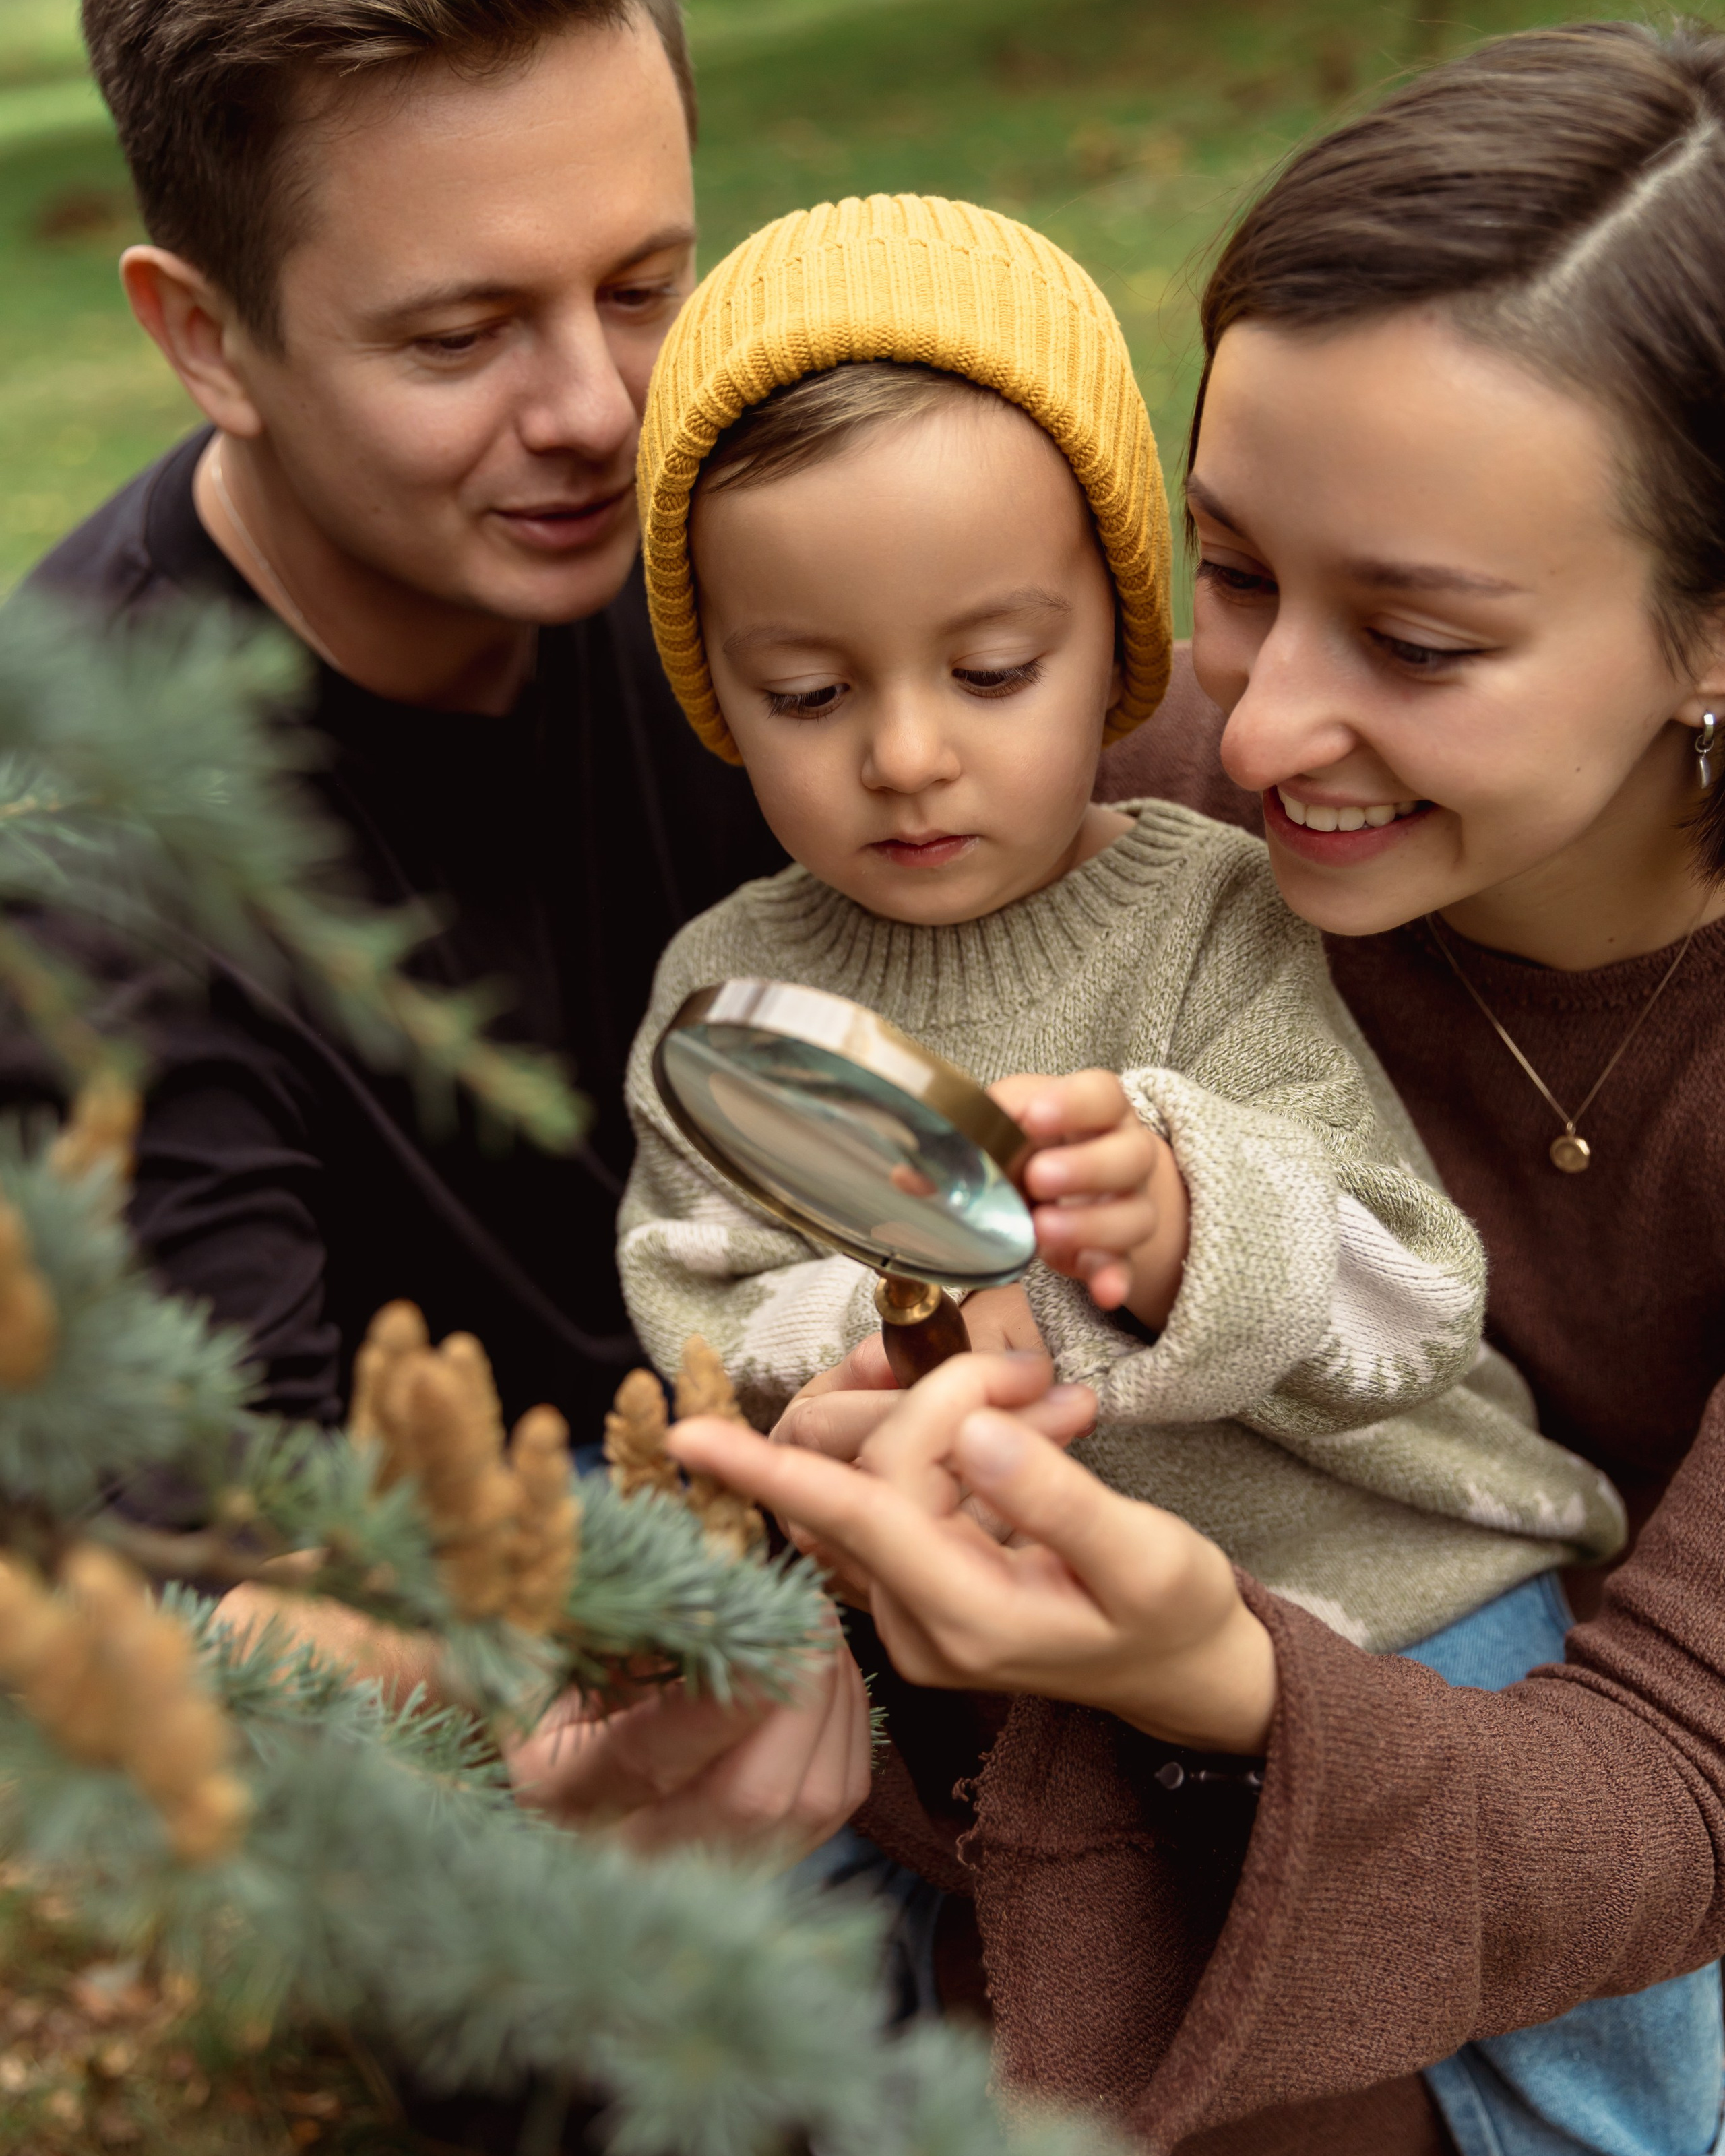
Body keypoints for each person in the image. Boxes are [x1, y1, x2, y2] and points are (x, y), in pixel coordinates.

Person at [701, 20, 1725, 2155]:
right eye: (1237, 574)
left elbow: (1675, 1789)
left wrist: (1230, 1686)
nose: (1259, 739)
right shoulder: (1116, 832)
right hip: (1093, 1837)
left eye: (1421, 643)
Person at [20, 0, 850, 1868]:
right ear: (206, 339)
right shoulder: (76, 857)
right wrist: (707, 1613)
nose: (599, 413)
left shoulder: (758, 547)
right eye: (459, 336)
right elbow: (233, 1602)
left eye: (646, 286)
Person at [617, 191, 1622, 1675]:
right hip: (1017, 1647)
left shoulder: (1209, 910)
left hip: (1390, 1587)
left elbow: (1408, 1295)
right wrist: (897, 1327)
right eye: (809, 695)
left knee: (1513, 1900)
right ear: (715, 687)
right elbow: (702, 1303)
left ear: (1115, 644)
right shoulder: (726, 996)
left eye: (991, 668)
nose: (904, 755)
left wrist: (1182, 1230)